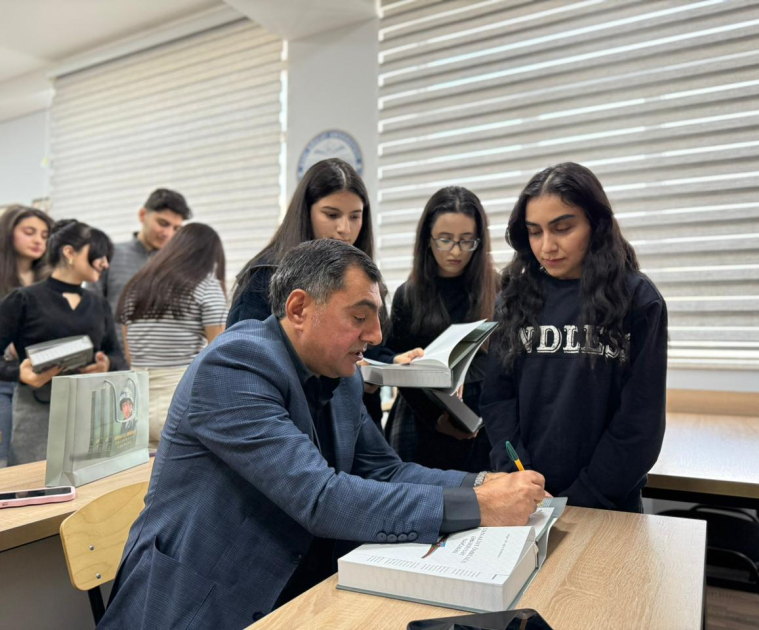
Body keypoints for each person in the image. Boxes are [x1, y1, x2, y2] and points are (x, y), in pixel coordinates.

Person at [99, 239, 547, 630]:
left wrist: (482, 483)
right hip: (202, 603)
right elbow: (320, 498)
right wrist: (480, 505)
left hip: (303, 593)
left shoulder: (341, 374)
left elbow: (385, 471)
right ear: (299, 309)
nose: (376, 335)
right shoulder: (234, 365)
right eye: (359, 316)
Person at [480, 162, 667, 513]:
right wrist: (519, 477)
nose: (547, 246)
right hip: (529, 499)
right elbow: (498, 400)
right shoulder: (514, 298)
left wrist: (584, 498)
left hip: (607, 504)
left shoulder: (638, 299)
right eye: (535, 232)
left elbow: (640, 421)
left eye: (563, 228)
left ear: (595, 224)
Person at [229, 157, 421, 426]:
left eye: (355, 216)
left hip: (356, 422)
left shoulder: (364, 277)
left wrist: (390, 362)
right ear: (305, 212)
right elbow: (246, 366)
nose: (345, 229)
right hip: (291, 422)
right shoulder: (265, 277)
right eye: (331, 215)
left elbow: (372, 347)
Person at [386, 187, 498, 472]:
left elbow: (507, 364)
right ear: (428, 239)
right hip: (421, 421)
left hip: (483, 424)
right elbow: (399, 366)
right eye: (445, 240)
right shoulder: (408, 295)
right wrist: (436, 421)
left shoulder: (499, 289)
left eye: (466, 240)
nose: (456, 251)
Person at [0, 219, 127, 465]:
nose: (105, 263)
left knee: (88, 481)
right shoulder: (23, 299)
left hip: (89, 411)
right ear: (69, 252)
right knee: (34, 482)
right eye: (99, 254)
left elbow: (117, 356)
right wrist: (20, 373)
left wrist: (106, 364)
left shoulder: (98, 304)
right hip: (36, 412)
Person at [116, 223, 228, 447]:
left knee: (139, 470)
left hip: (131, 403)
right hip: (178, 399)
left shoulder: (136, 285)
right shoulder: (206, 286)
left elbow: (130, 353)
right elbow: (218, 355)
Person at [0, 205, 53, 467]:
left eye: (44, 235)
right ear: (8, 234)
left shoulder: (50, 279)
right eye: (29, 232)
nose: (38, 241)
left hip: (39, 385)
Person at [91, 188, 192, 315]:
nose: (168, 233)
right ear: (143, 215)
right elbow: (90, 307)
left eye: (176, 228)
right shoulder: (110, 255)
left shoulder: (178, 266)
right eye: (163, 223)